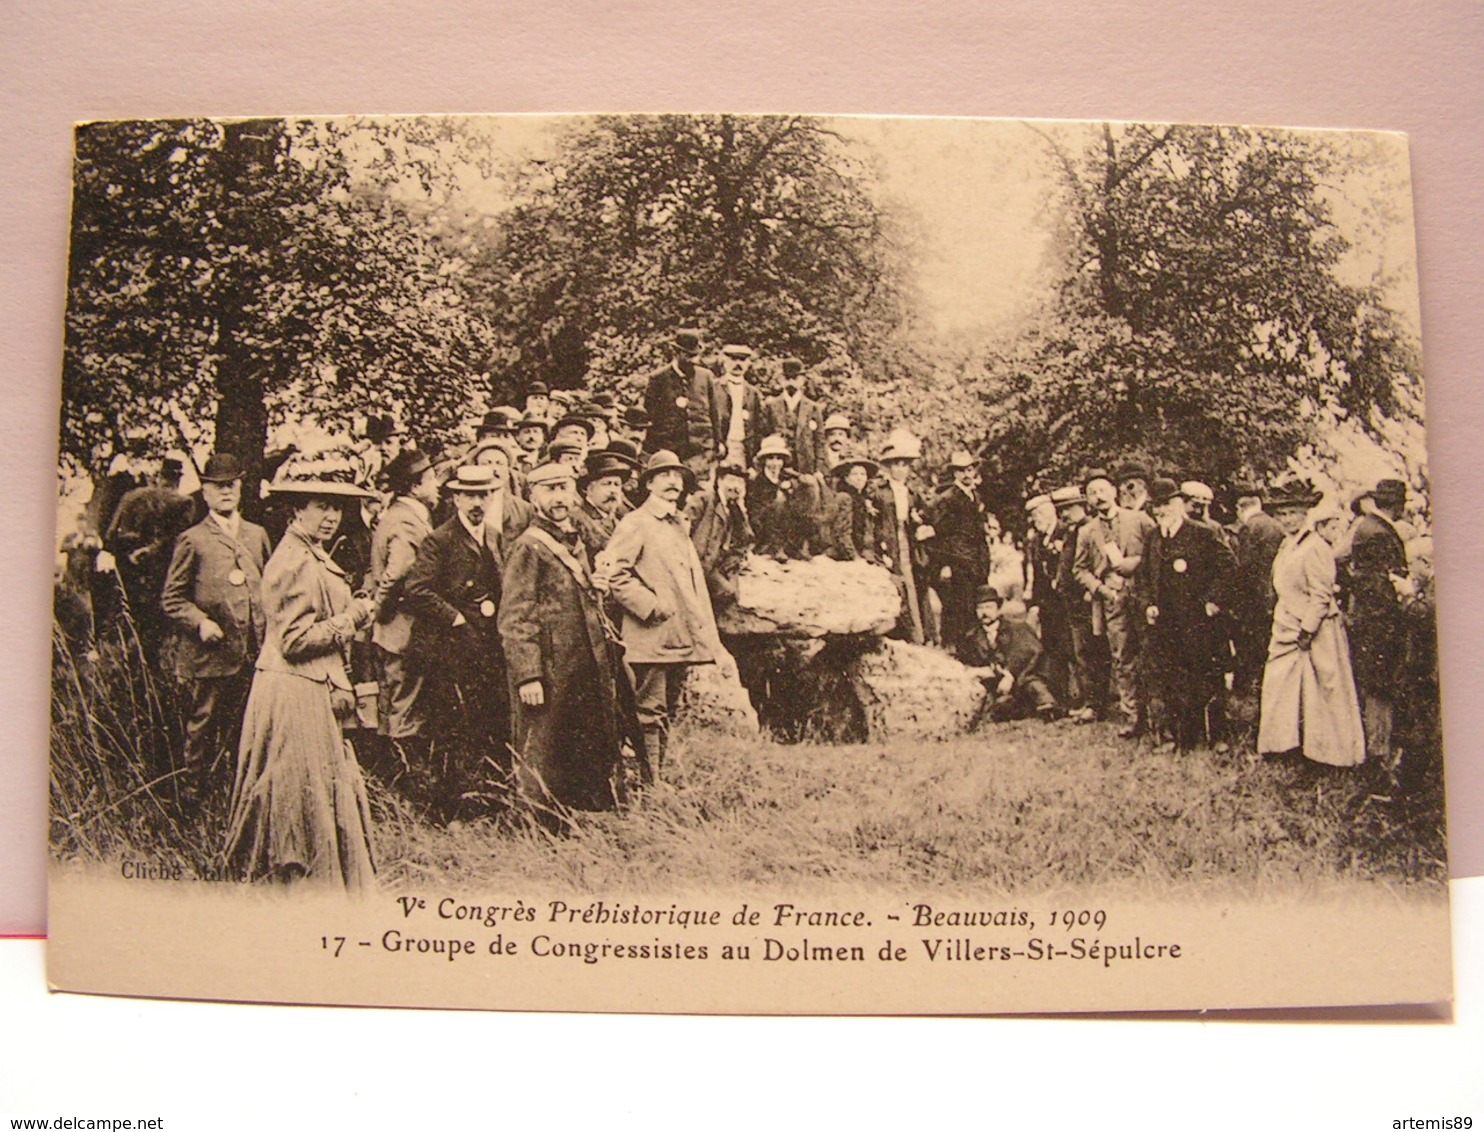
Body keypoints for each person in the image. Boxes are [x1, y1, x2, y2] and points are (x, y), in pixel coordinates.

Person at [223, 469, 379, 889]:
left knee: (311, 788)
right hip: (293, 688)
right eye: (319, 506)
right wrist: (353, 617)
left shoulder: (311, 553)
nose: (330, 516)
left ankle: (312, 882)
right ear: (297, 509)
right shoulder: (292, 560)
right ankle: (293, 883)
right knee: (294, 788)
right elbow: (293, 640)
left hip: (310, 685)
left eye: (337, 507)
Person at [499, 463, 628, 825]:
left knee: (582, 741)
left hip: (584, 662)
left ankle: (581, 817)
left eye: (564, 489)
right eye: (549, 490)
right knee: (543, 746)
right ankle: (535, 823)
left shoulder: (576, 537)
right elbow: (515, 618)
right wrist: (528, 675)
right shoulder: (527, 546)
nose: (558, 498)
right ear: (533, 496)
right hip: (550, 668)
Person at [160, 453, 272, 810]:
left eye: (232, 485)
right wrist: (201, 622)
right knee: (203, 723)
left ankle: (243, 795)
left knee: (250, 724)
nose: (226, 491)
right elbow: (171, 598)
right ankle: (194, 796)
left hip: (253, 653)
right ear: (205, 493)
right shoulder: (193, 539)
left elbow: (270, 588)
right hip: (211, 655)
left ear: (240, 488)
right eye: (217, 486)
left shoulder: (257, 535)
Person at [403, 466, 510, 822]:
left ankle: (484, 800)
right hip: (449, 650)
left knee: (485, 723)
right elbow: (417, 590)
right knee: (453, 729)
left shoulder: (494, 536)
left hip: (486, 647)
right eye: (470, 495)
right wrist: (456, 618)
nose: (477, 502)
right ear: (456, 498)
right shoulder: (440, 539)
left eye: (484, 495)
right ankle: (450, 808)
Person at [605, 450, 719, 779]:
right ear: (649, 484)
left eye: (677, 476)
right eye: (664, 476)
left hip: (680, 635)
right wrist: (650, 605)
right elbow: (614, 574)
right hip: (650, 636)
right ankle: (649, 780)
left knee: (669, 708)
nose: (672, 482)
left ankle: (656, 776)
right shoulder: (636, 522)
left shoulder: (678, 523)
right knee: (648, 711)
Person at [1257, 485, 1365, 768]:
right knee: (1281, 686)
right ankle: (1283, 745)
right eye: (1282, 514)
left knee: (1323, 691)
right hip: (1286, 626)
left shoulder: (1316, 546)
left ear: (1305, 513)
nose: (1287, 519)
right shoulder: (1287, 544)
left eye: (1292, 513)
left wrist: (1307, 630)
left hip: (1314, 630)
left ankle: (1329, 754)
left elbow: (1321, 594)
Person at [1137, 478, 1237, 752]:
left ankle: (1218, 735)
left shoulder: (1202, 533)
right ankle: (1183, 737)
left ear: (1180, 503)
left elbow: (1228, 567)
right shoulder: (1154, 537)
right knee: (1172, 679)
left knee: (1207, 675)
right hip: (1166, 623)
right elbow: (1144, 577)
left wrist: (1213, 601)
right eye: (1156, 506)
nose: (1161, 511)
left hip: (1199, 620)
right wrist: (1148, 603)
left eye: (1166, 504)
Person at [366, 449, 439, 782]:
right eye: (431, 479)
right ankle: (409, 784)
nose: (437, 485)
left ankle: (400, 778)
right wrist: (378, 611)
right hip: (403, 631)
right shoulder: (407, 520)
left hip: (396, 630)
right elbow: (397, 575)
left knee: (397, 702)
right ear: (414, 486)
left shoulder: (399, 515)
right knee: (405, 705)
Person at [1073, 470, 1156, 738]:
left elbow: (1158, 553)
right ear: (1087, 499)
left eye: (1103, 490)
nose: (1099, 497)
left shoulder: (1140, 520)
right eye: (1093, 493)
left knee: (1151, 652)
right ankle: (1132, 716)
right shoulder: (1087, 531)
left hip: (1143, 596)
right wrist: (1100, 588)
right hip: (1112, 601)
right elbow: (1079, 569)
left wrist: (1134, 564)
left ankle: (1157, 716)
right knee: (1122, 657)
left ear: (1114, 491)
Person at [1344, 478, 1410, 763]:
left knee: (1374, 683)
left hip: (1369, 620)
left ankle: (1375, 746)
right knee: (1380, 686)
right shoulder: (1379, 533)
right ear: (1398, 505)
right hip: (1380, 624)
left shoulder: (1368, 527)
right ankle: (1378, 751)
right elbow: (1379, 586)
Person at [105, 457, 194, 664]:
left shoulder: (131, 497)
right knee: (156, 631)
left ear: (159, 476)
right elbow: (179, 541)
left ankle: (125, 669)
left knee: (127, 621)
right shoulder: (183, 503)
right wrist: (149, 551)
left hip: (128, 572)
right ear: (178, 479)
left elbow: (110, 536)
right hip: (161, 574)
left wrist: (127, 554)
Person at [960, 585, 1061, 723]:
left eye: (989, 607)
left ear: (998, 609)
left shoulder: (1016, 628)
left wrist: (1010, 674)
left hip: (1021, 677)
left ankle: (1047, 705)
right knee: (997, 705)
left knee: (1032, 684)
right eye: (980, 608)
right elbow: (968, 663)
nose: (984, 612)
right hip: (994, 683)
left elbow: (1029, 653)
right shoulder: (972, 637)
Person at [871, 434, 933, 645]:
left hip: (908, 542)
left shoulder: (911, 492)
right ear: (888, 468)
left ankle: (919, 633)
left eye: (904, 465)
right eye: (896, 465)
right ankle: (898, 632)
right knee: (895, 582)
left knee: (913, 584)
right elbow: (875, 519)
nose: (901, 470)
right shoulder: (879, 491)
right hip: (889, 542)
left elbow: (924, 515)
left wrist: (919, 522)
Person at [929, 451, 991, 658]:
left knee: (976, 604)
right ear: (954, 474)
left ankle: (976, 650)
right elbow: (941, 534)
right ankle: (961, 650)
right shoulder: (947, 499)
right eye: (961, 471)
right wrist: (945, 563)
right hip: (959, 560)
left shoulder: (976, 496)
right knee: (960, 606)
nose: (966, 474)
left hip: (977, 560)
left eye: (970, 469)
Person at [1052, 485, 1105, 721]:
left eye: (1069, 508)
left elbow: (1094, 564)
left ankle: (1095, 703)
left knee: (1089, 651)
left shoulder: (1090, 529)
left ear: (1082, 506)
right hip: (1071, 601)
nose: (1064, 514)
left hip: (1084, 599)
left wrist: (1088, 590)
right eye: (1061, 510)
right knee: (1080, 651)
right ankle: (1088, 699)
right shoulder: (1071, 531)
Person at [642, 328, 720, 480]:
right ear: (675, 352)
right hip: (671, 449)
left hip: (701, 450)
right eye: (688, 355)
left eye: (695, 356)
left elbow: (714, 413)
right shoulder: (658, 379)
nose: (693, 360)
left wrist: (718, 443)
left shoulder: (706, 376)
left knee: (700, 491)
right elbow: (650, 416)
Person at [1231, 483, 1286, 695]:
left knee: (1251, 648)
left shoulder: (1249, 528)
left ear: (1240, 508)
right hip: (1275, 595)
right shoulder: (1277, 526)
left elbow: (1244, 567)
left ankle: (1248, 692)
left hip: (1254, 599)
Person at [1023, 491, 1073, 706]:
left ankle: (1080, 695)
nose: (1035, 522)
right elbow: (1036, 576)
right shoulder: (1036, 541)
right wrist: (1034, 604)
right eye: (1033, 518)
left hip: (1066, 602)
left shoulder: (1066, 533)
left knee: (1072, 648)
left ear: (1047, 513)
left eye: (1037, 517)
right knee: (1053, 650)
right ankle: (1059, 696)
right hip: (1048, 605)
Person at [688, 461, 755, 605]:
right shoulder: (703, 500)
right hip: (701, 565)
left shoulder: (736, 508)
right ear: (719, 481)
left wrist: (742, 511)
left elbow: (746, 539)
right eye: (731, 480)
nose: (736, 487)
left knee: (734, 598)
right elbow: (682, 531)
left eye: (740, 483)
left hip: (723, 565)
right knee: (726, 593)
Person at [762, 357, 826, 475]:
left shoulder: (813, 408)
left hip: (805, 466)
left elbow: (819, 440)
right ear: (781, 380)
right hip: (779, 465)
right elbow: (764, 434)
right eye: (787, 378)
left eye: (795, 378)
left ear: (802, 380)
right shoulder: (771, 406)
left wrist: (818, 468)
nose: (791, 382)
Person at [573, 447, 638, 561]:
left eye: (616, 484)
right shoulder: (579, 518)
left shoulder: (622, 517)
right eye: (607, 484)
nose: (613, 490)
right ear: (590, 489)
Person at [710, 342, 765, 468]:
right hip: (721, 445)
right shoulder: (714, 387)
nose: (738, 364)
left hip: (744, 448)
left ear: (748, 364)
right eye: (733, 359)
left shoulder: (753, 393)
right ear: (724, 361)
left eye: (742, 360)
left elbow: (758, 426)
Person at [829, 453, 879, 562]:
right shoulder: (844, 497)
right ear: (846, 478)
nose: (859, 478)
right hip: (842, 552)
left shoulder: (862, 498)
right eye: (854, 474)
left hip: (857, 550)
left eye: (863, 474)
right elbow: (842, 532)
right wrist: (853, 556)